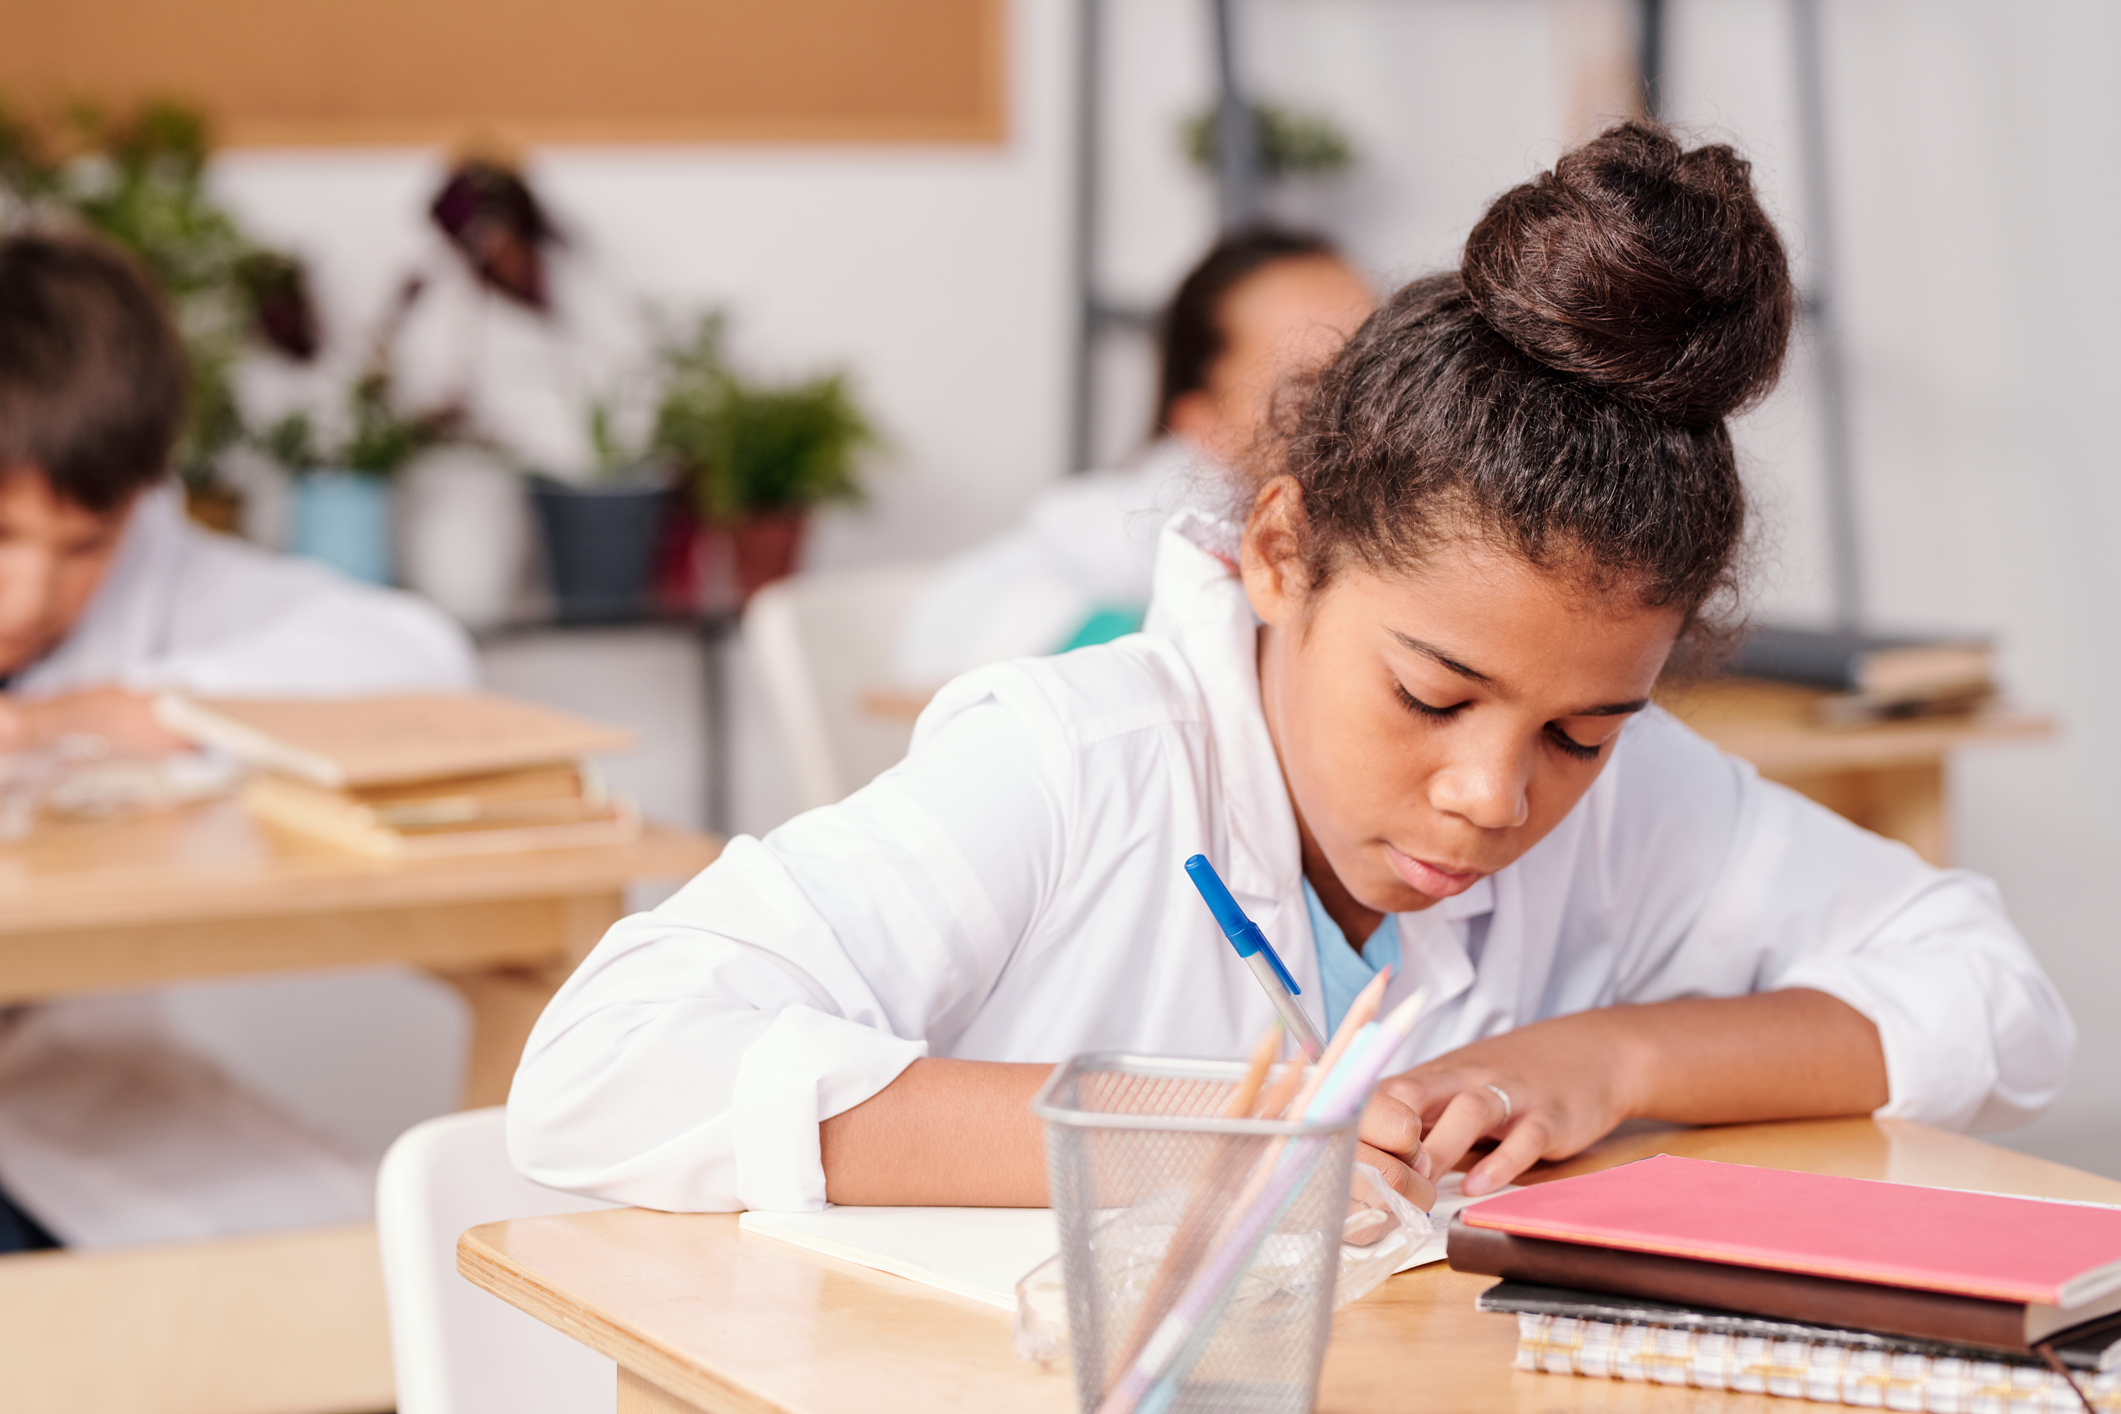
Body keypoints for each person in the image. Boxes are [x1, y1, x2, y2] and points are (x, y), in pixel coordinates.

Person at [506, 124, 2070, 1216]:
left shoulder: (1626, 805)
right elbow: (605, 1068)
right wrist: (1238, 1123)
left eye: (1583, 730)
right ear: (1276, 552)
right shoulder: (1077, 764)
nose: (1489, 798)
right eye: (1432, 694)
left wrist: (1605, 1055)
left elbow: (1987, 991)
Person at [0, 230, 475, 1251]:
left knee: (376, 1262)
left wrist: (97, 714)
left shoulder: (165, 582)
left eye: (84, 545)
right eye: (0, 537)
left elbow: (420, 657)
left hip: (58, 1089)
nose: (33, 595)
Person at [893, 226, 1375, 684]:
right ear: (1202, 424)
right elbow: (956, 619)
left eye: (1377, 367)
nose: (1361, 409)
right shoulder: (1158, 512)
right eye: (1304, 391)